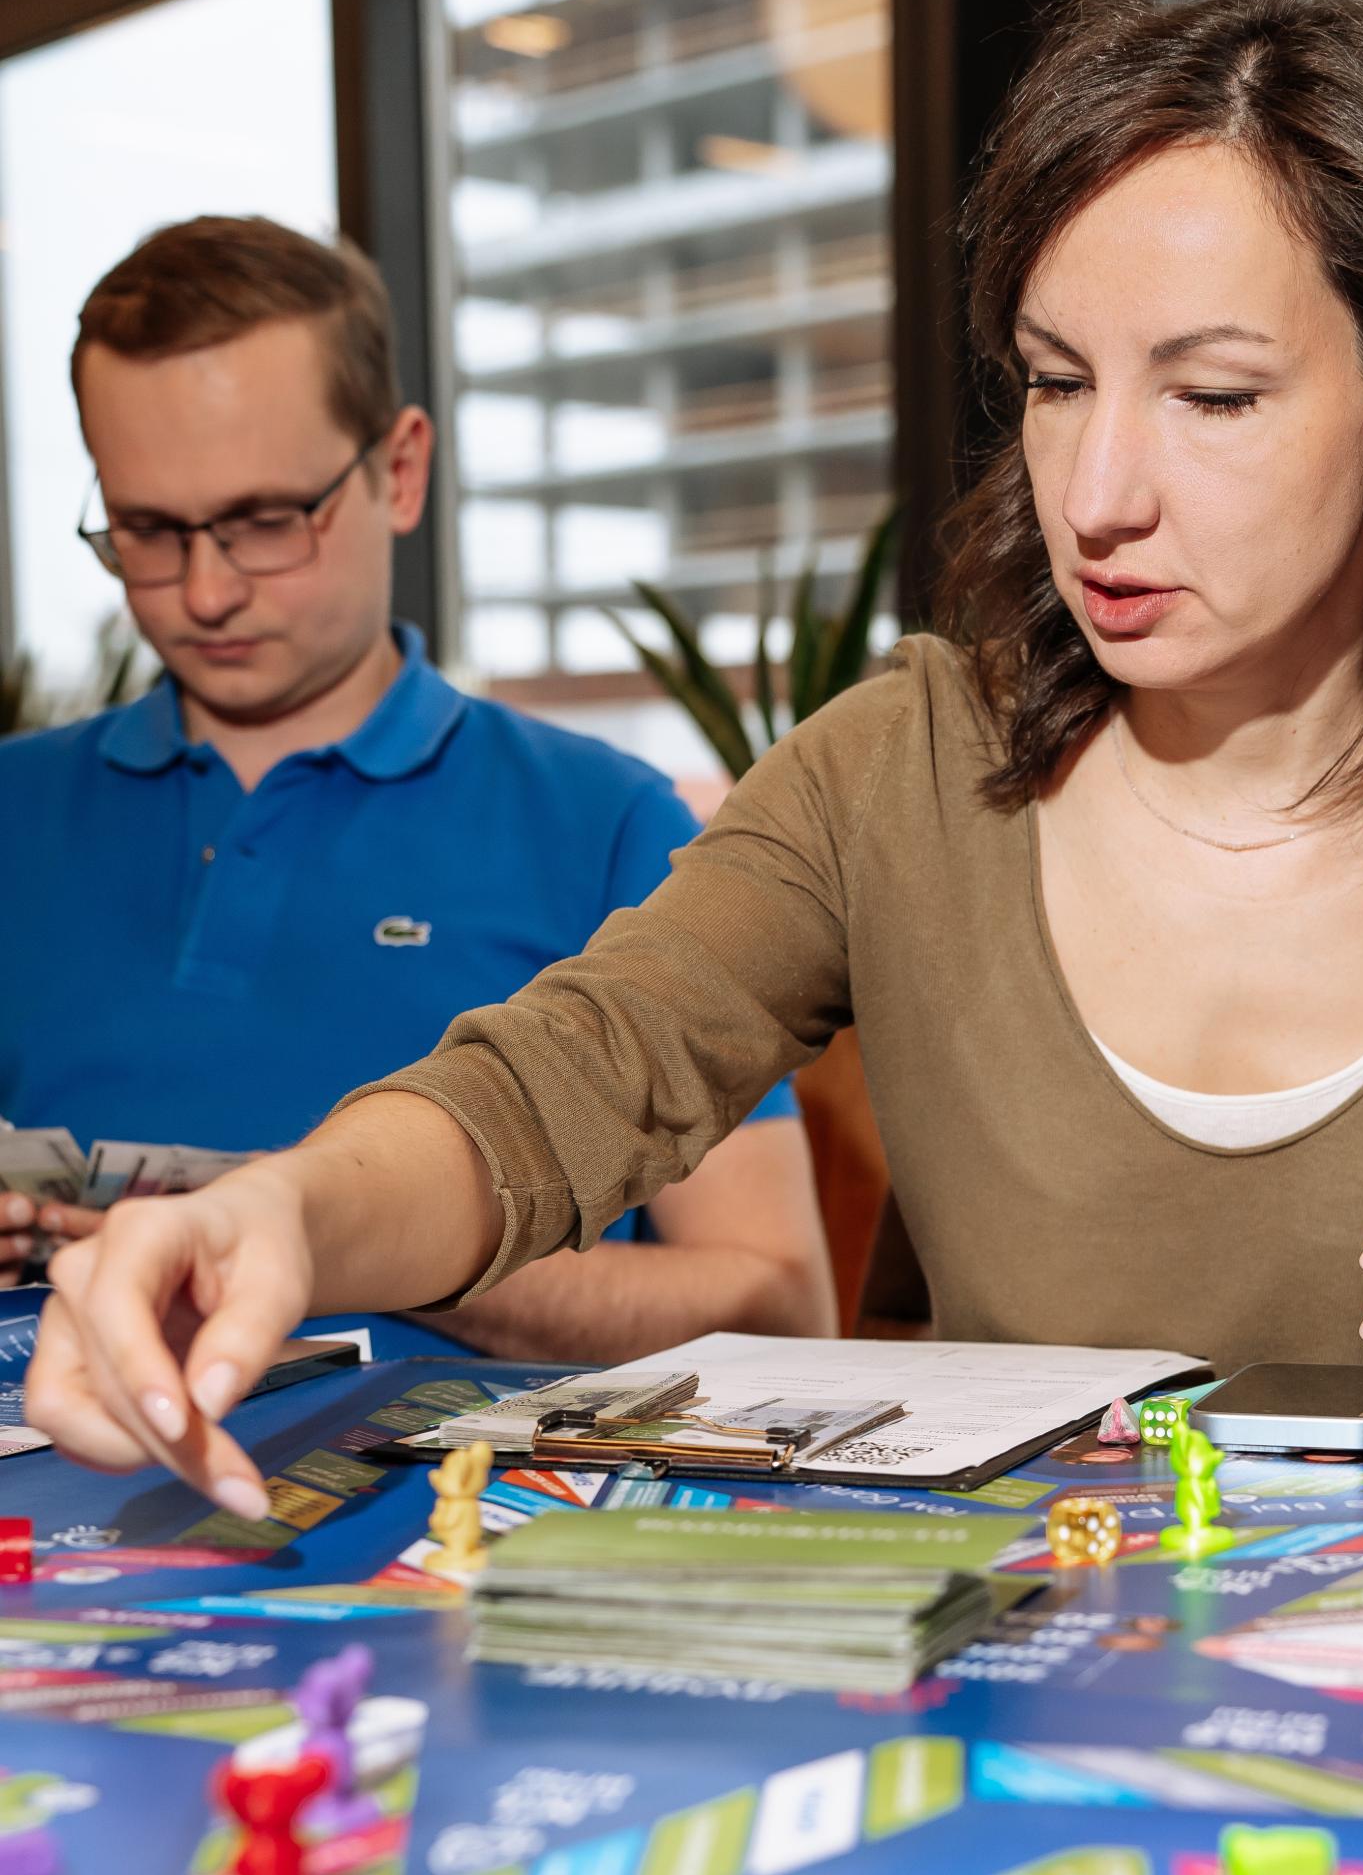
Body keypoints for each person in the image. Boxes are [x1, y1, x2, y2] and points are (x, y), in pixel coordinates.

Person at [26, 0, 1363, 1519]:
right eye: (1057, 380)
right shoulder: (902, 766)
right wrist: (284, 1217)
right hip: (1018, 1658)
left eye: (1214, 395)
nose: (1098, 494)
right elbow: (559, 1081)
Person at [0, 217, 831, 1365]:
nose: (205, 591)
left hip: (441, 1472)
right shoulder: (16, 811)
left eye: (263, 521)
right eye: (147, 531)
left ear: (399, 471)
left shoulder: (605, 825)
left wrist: (346, 1235)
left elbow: (783, 1308)